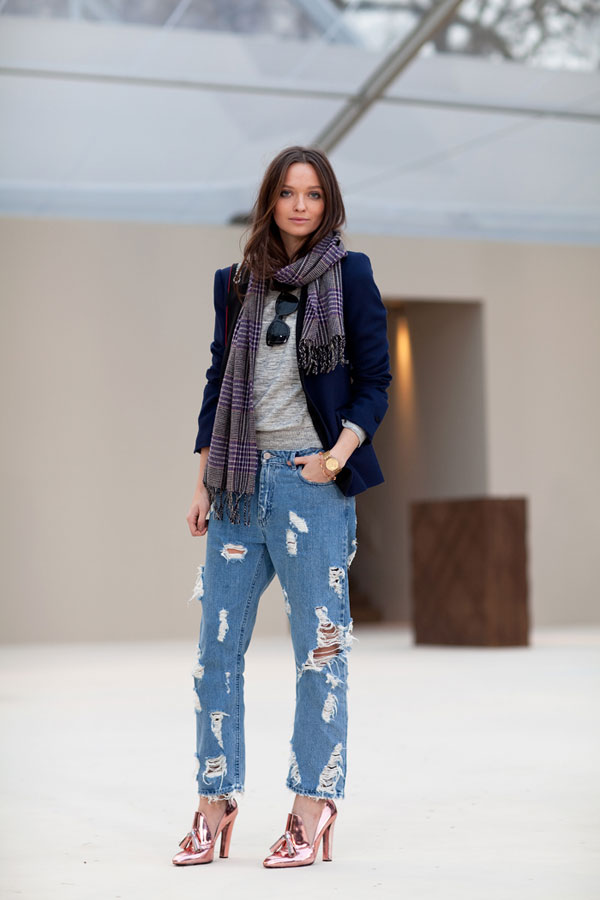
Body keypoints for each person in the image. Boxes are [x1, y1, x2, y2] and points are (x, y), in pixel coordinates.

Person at [172, 145, 391, 869]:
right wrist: (202, 482)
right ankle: (214, 800)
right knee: (215, 651)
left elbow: (375, 381)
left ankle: (311, 806)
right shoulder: (236, 283)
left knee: (319, 651)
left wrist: (335, 458)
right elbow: (218, 384)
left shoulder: (349, 274)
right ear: (270, 199)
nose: (301, 206)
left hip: (310, 487)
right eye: (289, 193)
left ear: (329, 204)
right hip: (237, 484)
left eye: (314, 194)